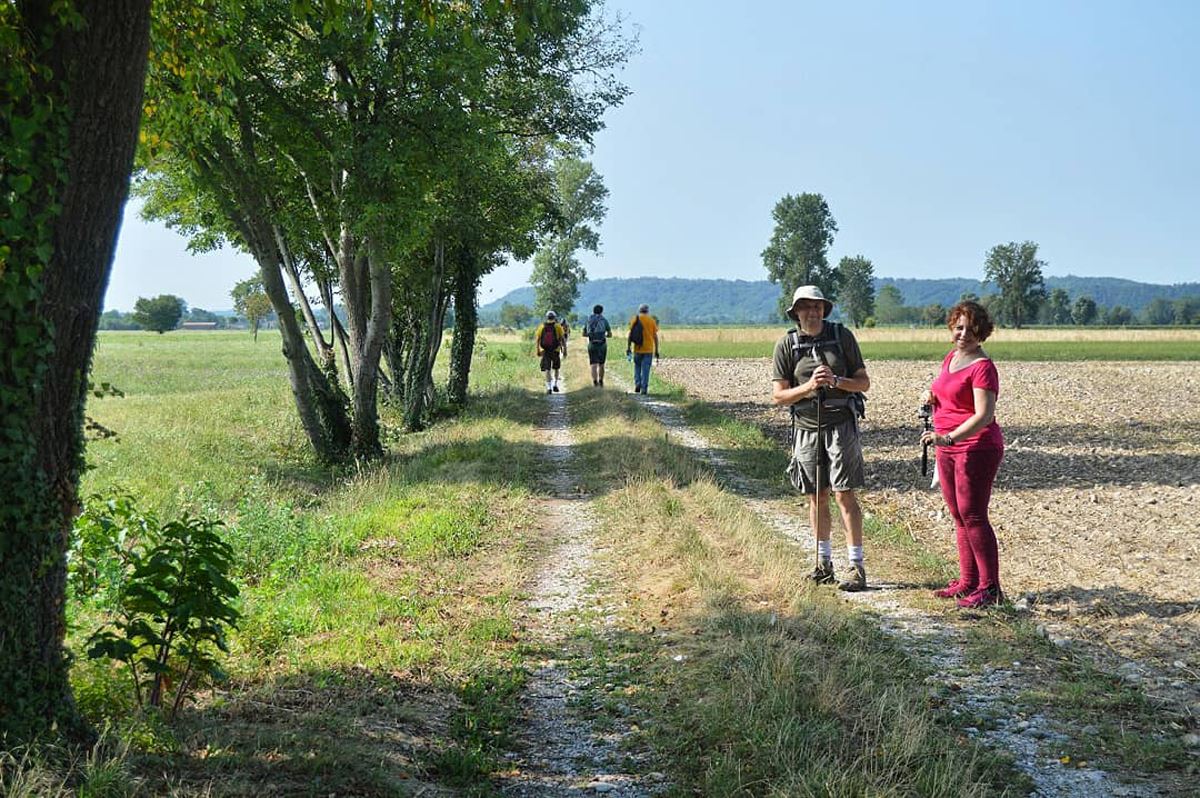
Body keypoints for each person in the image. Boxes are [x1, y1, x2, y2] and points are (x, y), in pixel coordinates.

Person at [771, 285, 872, 591]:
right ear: (796, 312)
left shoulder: (842, 337)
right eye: (805, 307)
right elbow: (779, 396)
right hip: (805, 427)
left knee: (844, 494)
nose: (812, 312)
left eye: (817, 306)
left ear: (824, 310)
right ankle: (823, 564)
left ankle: (856, 566)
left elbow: (863, 383)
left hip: (841, 424)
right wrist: (809, 387)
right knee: (816, 496)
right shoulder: (787, 345)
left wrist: (837, 380)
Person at [920, 300, 1005, 609]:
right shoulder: (951, 358)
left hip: (976, 447)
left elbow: (983, 415)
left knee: (973, 514)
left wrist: (948, 438)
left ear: (982, 332)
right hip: (948, 447)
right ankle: (968, 582)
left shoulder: (983, 367)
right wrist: (932, 397)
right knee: (958, 515)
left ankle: (990, 589)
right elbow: (950, 395)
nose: (964, 334)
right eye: (959, 327)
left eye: (971, 329)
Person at [626, 303, 659, 394]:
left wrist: (628, 347)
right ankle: (644, 388)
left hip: (637, 348)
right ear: (647, 311)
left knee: (637, 367)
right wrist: (656, 350)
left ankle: (637, 383)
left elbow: (630, 335)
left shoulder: (635, 319)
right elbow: (655, 337)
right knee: (646, 369)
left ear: (639, 310)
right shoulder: (651, 321)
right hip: (648, 349)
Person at [534, 310, 566, 394]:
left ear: (547, 317)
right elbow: (562, 339)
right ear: (554, 317)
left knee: (547, 369)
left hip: (545, 350)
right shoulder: (558, 326)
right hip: (555, 350)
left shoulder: (541, 326)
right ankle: (555, 384)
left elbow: (537, 339)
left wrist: (538, 350)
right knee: (556, 368)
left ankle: (549, 387)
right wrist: (565, 350)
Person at [583, 304, 612, 386]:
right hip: (602, 345)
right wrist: (605, 335)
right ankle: (601, 381)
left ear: (593, 311)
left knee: (593, 364)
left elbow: (584, 333)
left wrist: (591, 335)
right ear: (601, 311)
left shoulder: (589, 320)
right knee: (601, 364)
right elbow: (610, 334)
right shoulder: (604, 320)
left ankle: (595, 381)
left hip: (592, 344)